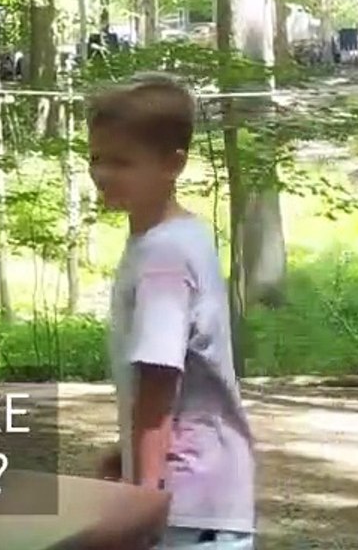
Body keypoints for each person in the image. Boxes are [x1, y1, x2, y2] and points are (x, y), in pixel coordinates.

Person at [86, 73, 256, 549]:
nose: (102, 173)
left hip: (187, 503)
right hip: (200, 500)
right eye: (96, 157)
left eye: (121, 161)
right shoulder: (171, 238)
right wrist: (127, 456)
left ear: (172, 164)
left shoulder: (164, 255)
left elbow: (158, 390)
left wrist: (139, 500)